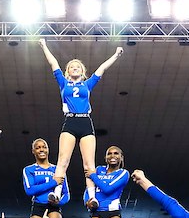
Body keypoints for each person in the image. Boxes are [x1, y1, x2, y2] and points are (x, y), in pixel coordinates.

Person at [37, 39, 124, 203]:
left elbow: (102, 68)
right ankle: (56, 192)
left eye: (78, 67)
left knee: (89, 164)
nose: (75, 68)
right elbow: (53, 63)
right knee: (62, 160)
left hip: (85, 123)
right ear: (67, 72)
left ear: (82, 71)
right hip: (70, 122)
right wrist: (44, 46)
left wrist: (116, 55)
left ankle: (92, 198)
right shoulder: (63, 83)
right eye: (71, 67)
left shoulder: (87, 84)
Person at [23, 139, 70, 218]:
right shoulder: (29, 170)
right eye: (38, 148)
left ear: (48, 150)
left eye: (44, 147)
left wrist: (57, 202)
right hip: (38, 206)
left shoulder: (58, 170)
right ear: (33, 151)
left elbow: (67, 195)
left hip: (54, 208)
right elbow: (30, 190)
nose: (41, 150)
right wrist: (54, 182)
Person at [86, 145, 130, 218]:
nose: (112, 156)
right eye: (109, 153)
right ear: (106, 158)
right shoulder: (99, 170)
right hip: (97, 212)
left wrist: (93, 176)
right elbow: (89, 188)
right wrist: (88, 201)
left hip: (113, 213)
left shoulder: (123, 173)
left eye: (116, 153)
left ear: (121, 158)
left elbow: (107, 189)